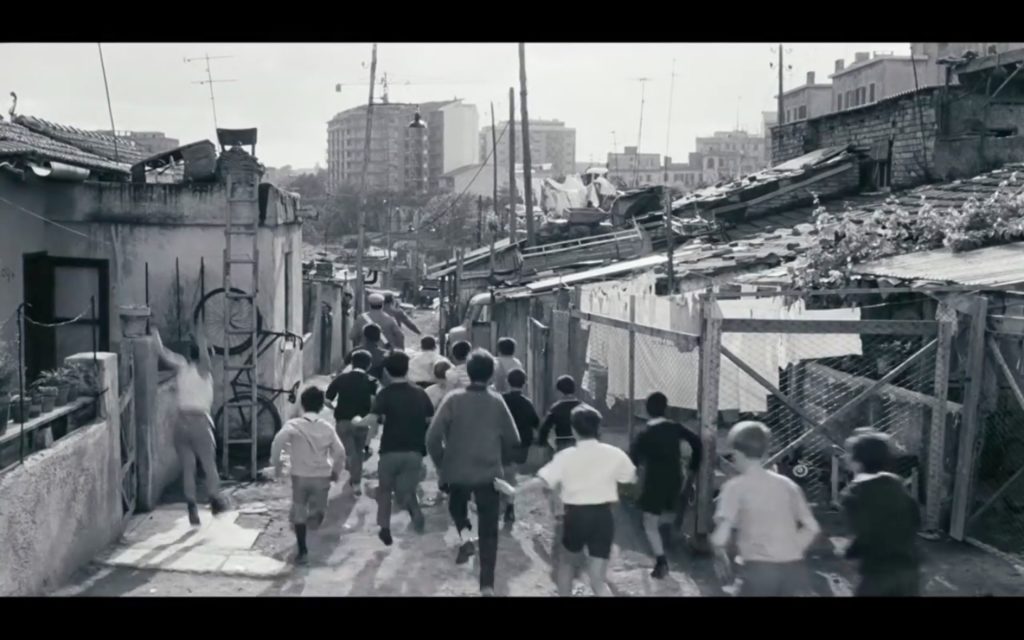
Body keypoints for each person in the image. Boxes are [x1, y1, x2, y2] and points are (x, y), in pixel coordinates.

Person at [496, 405, 636, 597]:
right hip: (604, 516)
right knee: (597, 578)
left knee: (567, 564)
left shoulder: (566, 456)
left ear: (573, 429)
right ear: (598, 428)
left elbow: (541, 480)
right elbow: (630, 477)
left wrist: (514, 490)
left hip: (576, 516)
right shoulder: (614, 453)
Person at [427, 349, 521, 597]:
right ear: (491, 375)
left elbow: (432, 438)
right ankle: (487, 585)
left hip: (456, 471)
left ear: (467, 372)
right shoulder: (497, 401)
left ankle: (466, 536)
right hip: (489, 473)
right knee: (489, 529)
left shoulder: (453, 399)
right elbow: (514, 439)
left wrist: (441, 464)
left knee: (457, 508)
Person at [711, 421, 820, 597]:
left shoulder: (735, 487)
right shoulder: (787, 485)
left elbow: (720, 537)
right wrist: (790, 549)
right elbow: (812, 527)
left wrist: (719, 552)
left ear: (737, 453)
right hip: (794, 570)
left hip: (759, 570)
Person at [352, 351, 435, 547]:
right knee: (407, 490)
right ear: (407, 369)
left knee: (385, 491)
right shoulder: (420, 394)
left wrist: (357, 421)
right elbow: (430, 421)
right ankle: (415, 513)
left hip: (390, 450)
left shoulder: (385, 394)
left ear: (387, 371)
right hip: (414, 451)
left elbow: (371, 419)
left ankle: (384, 527)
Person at [153, 325, 228, 526]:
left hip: (181, 422)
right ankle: (214, 499)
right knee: (209, 464)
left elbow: (161, 352)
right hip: (200, 423)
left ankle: (192, 506)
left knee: (188, 467)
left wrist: (154, 330)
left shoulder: (181, 366)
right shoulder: (204, 371)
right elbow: (205, 354)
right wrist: (202, 338)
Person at [630, 392, 703, 579]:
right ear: (666, 408)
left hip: (654, 482)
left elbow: (634, 460)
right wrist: (694, 465)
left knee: (648, 522)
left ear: (646, 411)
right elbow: (696, 442)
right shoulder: (675, 427)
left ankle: (661, 561)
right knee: (672, 508)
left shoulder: (644, 434)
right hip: (676, 478)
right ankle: (672, 532)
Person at [270, 386, 346, 565]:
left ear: (302, 404)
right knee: (320, 510)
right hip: (321, 476)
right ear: (321, 407)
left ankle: (302, 548)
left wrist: (278, 465)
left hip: (300, 476)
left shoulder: (293, 425)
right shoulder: (327, 428)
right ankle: (315, 520)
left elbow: (277, 442)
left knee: (299, 509)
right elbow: (340, 452)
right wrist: (336, 471)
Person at [841, 430, 922, 597]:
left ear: (859, 461)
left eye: (849, 453)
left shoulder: (855, 493)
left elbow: (865, 535)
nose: (845, 457)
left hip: (877, 573)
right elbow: (915, 518)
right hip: (908, 570)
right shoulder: (896, 484)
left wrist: (849, 551)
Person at [325, 349, 378, 497]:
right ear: (369, 365)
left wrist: (334, 408)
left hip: (342, 421)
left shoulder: (341, 379)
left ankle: (351, 470)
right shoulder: (371, 381)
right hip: (362, 422)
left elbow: (327, 399)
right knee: (359, 452)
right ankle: (355, 482)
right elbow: (374, 402)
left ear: (352, 363)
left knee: (350, 452)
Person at [500, 368, 540, 524]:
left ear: (507, 382)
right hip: (521, 445)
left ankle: (504, 502)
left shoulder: (500, 400)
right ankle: (509, 504)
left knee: (504, 472)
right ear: (524, 383)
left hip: (502, 443)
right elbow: (536, 423)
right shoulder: (526, 403)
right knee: (511, 473)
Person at [537, 375, 583, 452]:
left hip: (562, 443)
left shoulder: (555, 408)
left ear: (559, 391)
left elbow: (545, 428)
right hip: (580, 443)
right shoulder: (583, 406)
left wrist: (542, 442)